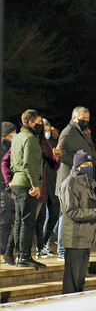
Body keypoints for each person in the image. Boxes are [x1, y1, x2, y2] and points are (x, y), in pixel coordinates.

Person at [58, 151, 96, 293]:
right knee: (72, 280)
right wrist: (94, 213)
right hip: (75, 237)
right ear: (77, 166)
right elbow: (71, 212)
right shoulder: (69, 184)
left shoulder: (87, 183)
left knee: (80, 279)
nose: (89, 167)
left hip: (85, 237)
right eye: (85, 164)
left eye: (90, 164)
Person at [57, 106, 95, 260]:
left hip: (81, 179)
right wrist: (76, 165)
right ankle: (61, 249)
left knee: (74, 214)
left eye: (87, 118)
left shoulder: (82, 132)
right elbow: (60, 152)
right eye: (82, 118)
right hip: (69, 178)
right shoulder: (68, 132)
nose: (85, 121)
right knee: (65, 214)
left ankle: (71, 247)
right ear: (74, 118)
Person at [9, 110, 45, 268]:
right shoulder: (30, 139)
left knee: (19, 221)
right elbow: (29, 163)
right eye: (39, 122)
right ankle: (24, 257)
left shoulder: (17, 138)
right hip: (26, 184)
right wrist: (35, 184)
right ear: (31, 123)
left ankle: (19, 256)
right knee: (27, 222)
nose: (41, 125)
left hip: (17, 182)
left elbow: (12, 161)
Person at [36, 119, 61, 257]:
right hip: (43, 183)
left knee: (54, 215)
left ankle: (45, 242)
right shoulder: (39, 144)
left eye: (48, 130)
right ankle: (40, 247)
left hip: (53, 184)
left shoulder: (55, 144)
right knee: (41, 218)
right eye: (44, 130)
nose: (47, 132)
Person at [0, 122, 16, 264]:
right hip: (4, 189)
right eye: (13, 133)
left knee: (10, 221)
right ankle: (3, 251)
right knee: (4, 222)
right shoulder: (4, 148)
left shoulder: (8, 146)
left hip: (8, 189)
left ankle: (7, 251)